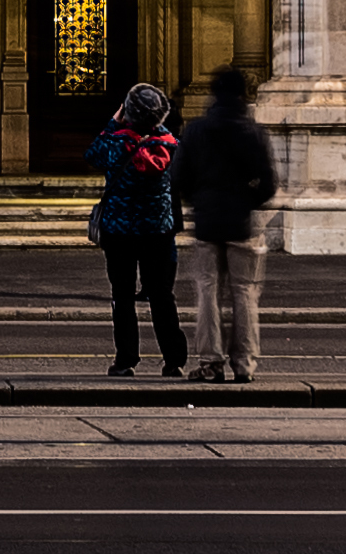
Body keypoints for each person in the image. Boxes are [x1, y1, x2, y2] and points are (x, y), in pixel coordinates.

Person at [179, 62, 281, 383]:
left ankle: (210, 362)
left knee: (208, 293)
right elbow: (268, 184)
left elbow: (178, 178)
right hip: (241, 224)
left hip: (208, 223)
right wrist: (244, 203)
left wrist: (200, 202)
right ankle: (245, 363)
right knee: (245, 293)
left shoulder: (196, 130)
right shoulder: (253, 132)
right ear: (242, 95)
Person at [86, 81, 186, 377]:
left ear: (127, 112)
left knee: (123, 296)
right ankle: (174, 360)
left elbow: (92, 154)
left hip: (120, 232)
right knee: (162, 297)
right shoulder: (171, 146)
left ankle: (126, 359)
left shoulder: (116, 145)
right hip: (158, 231)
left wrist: (111, 124)